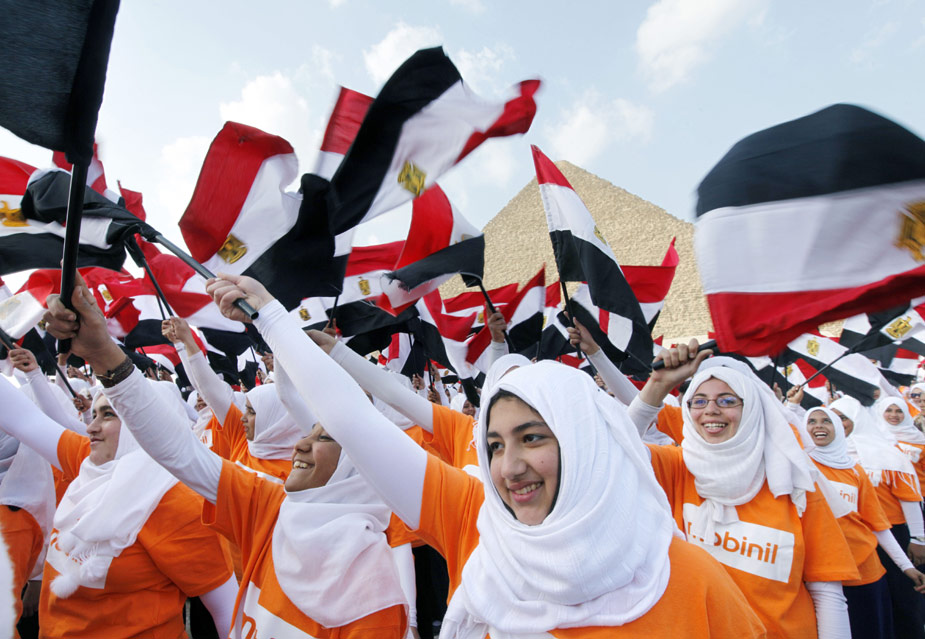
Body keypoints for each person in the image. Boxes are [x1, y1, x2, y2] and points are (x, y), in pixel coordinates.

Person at [202, 273, 768, 638]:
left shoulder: (692, 581)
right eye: (494, 444)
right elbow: (354, 419)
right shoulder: (475, 517)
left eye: (534, 437)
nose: (509, 467)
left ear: (584, 441)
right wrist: (272, 318)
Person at [44, 278, 409, 638]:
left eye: (323, 437)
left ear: (361, 466)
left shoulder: (375, 604)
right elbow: (177, 449)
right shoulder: (269, 508)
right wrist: (103, 352)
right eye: (308, 431)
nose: (299, 444)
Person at [628, 342, 859, 639]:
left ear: (751, 408)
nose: (711, 410)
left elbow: (827, 593)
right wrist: (657, 385)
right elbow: (612, 452)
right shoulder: (677, 467)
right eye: (699, 401)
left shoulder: (794, 483)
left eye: (727, 400)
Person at [0, 373, 236, 639]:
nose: (91, 427)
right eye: (94, 414)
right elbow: (24, 419)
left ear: (146, 422)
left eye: (108, 415)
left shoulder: (181, 506)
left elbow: (227, 612)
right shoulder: (90, 463)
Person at [804, 406, 925, 638]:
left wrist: (906, 566)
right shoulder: (798, 467)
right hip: (821, 574)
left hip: (864, 571)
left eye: (827, 421)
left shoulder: (855, 471)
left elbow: (877, 525)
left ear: (837, 428)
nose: (819, 426)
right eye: (812, 421)